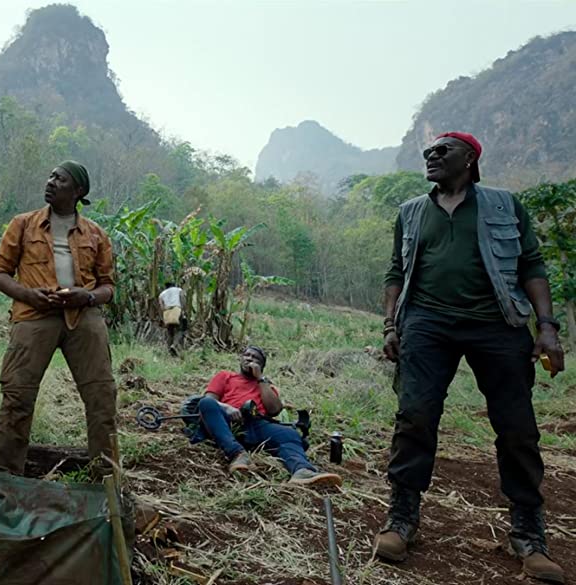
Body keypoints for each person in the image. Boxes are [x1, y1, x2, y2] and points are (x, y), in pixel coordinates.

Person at [376, 132, 566, 584]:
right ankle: (402, 516)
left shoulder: (503, 205)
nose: (432, 155)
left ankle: (528, 531)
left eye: (443, 150)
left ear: (470, 158)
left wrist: (547, 327)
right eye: (429, 151)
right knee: (415, 415)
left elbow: (531, 265)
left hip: (497, 324)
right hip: (427, 322)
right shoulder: (411, 212)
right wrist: (389, 325)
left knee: (517, 426)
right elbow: (396, 272)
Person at [0, 161, 118, 476]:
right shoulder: (23, 224)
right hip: (34, 314)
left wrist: (85, 296)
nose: (50, 182)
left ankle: (106, 481)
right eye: (50, 176)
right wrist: (28, 295)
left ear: (78, 191)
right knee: (17, 396)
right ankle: (2, 479)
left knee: (102, 398)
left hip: (83, 317)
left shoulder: (96, 234)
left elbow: (108, 286)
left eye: (59, 179)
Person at [194, 346, 342, 486]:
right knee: (206, 403)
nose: (249, 359)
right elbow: (208, 399)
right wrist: (227, 408)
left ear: (261, 366)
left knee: (289, 434)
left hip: (256, 423)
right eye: (247, 355)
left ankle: (302, 471)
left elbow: (274, 410)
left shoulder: (266, 385)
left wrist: (260, 379)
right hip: (227, 422)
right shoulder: (226, 376)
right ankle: (237, 454)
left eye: (255, 358)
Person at [158, 281, 186, 355]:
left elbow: (161, 306)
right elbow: (182, 299)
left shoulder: (161, 294)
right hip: (176, 310)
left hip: (166, 312)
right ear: (174, 285)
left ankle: (169, 350)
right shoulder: (179, 290)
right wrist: (183, 310)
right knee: (180, 330)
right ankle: (174, 345)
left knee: (170, 331)